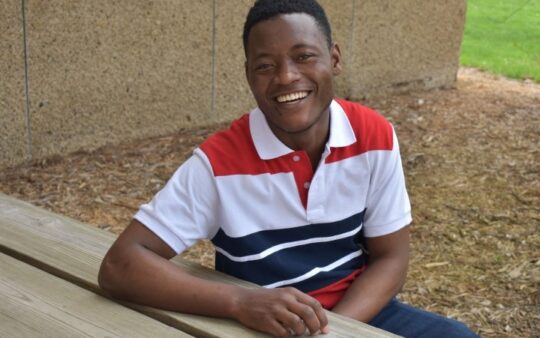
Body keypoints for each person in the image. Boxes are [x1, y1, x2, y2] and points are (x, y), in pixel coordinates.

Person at [98, 0, 479, 337]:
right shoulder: (219, 163)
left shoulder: (373, 136)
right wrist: (240, 302)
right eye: (265, 65)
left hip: (358, 313)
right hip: (260, 323)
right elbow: (120, 265)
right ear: (249, 75)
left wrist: (333, 331)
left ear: (335, 59)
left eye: (304, 56)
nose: (285, 76)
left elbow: (391, 258)